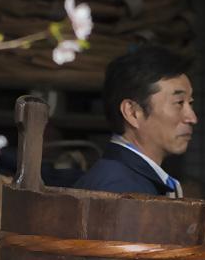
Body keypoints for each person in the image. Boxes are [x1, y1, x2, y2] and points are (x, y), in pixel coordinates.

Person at [71, 46, 196, 196]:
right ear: (132, 112)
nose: (192, 118)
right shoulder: (119, 189)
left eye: (191, 103)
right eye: (179, 103)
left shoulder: (128, 180)